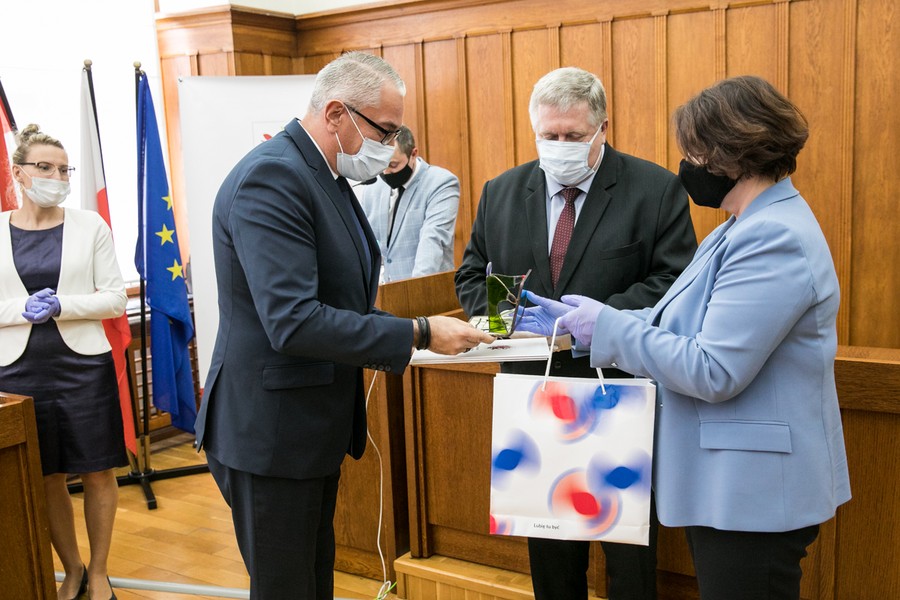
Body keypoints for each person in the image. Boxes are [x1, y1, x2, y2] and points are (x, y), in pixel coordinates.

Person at [519, 75, 852, 600]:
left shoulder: (772, 236)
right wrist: (585, 324)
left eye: (696, 150)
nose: (688, 164)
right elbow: (679, 319)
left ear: (733, 151)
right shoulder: (739, 225)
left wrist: (606, 326)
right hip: (733, 483)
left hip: (754, 490)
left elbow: (713, 369)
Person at [194, 51, 493, 600]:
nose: (391, 142)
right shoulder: (273, 177)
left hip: (307, 428)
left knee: (312, 584)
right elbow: (294, 321)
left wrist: (421, 332)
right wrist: (420, 333)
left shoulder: (323, 176)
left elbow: (343, 301)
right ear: (336, 113)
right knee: (286, 589)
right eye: (386, 129)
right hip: (270, 433)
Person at [455, 67, 697, 600]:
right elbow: (472, 275)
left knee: (628, 555)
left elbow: (674, 281)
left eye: (573, 135)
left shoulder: (655, 189)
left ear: (602, 128)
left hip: (619, 392)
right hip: (534, 394)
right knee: (550, 551)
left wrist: (591, 321)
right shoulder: (501, 192)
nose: (560, 146)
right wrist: (506, 316)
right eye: (549, 135)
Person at [0, 124, 127, 600]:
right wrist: (22, 308)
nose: (57, 177)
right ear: (19, 173)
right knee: (46, 474)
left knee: (97, 470)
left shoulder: (90, 225)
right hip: (18, 371)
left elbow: (115, 299)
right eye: (45, 167)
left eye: (64, 169)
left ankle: (100, 572)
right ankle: (72, 569)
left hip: (83, 368)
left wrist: (61, 306)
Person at [359, 125, 460, 282]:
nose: (386, 172)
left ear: (413, 154)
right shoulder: (373, 188)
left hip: (425, 287)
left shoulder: (441, 183)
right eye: (382, 165)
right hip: (385, 290)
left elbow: (432, 241)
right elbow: (367, 244)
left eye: (393, 165)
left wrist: (414, 290)